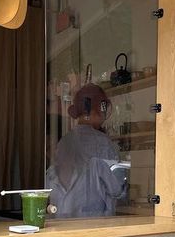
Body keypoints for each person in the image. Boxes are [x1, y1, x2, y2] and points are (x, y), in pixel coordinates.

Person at [46, 83, 124, 218]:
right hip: (94, 225)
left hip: (61, 222)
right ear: (99, 109)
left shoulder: (65, 141)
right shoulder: (103, 143)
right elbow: (117, 189)